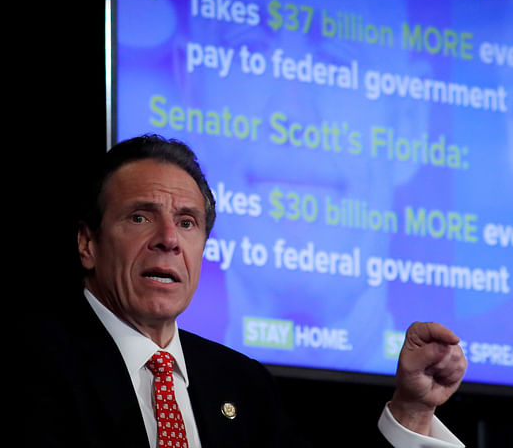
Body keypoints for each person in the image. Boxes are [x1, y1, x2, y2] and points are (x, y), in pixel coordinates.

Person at [24, 134, 466, 447]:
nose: (168, 239)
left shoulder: (242, 384)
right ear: (88, 244)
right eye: (140, 217)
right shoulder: (37, 364)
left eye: (187, 222)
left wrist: (411, 411)